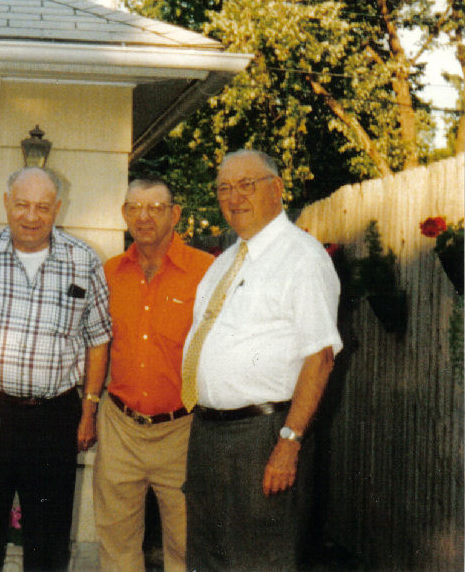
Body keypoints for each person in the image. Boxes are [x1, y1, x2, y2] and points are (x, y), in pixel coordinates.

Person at [0, 166, 112, 572]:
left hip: (55, 416)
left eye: (42, 207)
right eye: (21, 205)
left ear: (57, 208)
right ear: (6, 203)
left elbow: (98, 340)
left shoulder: (84, 261)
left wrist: (88, 409)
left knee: (49, 543)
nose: (31, 216)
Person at [180, 149, 343, 571]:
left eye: (246, 185)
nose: (234, 197)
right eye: (224, 188)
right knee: (207, 560)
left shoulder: (302, 258)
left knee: (260, 560)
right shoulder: (223, 263)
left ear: (277, 189)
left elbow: (320, 357)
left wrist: (289, 442)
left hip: (263, 436)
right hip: (208, 434)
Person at [93, 177, 214, 572]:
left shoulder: (205, 271)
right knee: (116, 542)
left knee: (185, 542)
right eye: (134, 208)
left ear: (175, 214)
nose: (144, 217)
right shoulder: (110, 273)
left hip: (182, 429)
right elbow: (95, 344)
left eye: (156, 208)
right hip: (120, 426)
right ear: (124, 214)